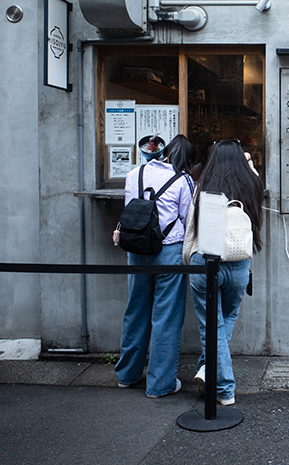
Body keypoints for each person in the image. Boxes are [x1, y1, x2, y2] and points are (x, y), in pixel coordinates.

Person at [183, 140, 263, 406]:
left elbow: (191, 224)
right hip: (240, 263)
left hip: (206, 262)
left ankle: (224, 388)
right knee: (224, 321)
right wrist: (245, 157)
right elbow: (252, 169)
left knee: (212, 326)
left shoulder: (204, 185)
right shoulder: (251, 183)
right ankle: (209, 374)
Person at [115, 134, 196, 398]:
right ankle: (160, 384)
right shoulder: (182, 179)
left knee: (135, 310)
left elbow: (130, 208)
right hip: (168, 250)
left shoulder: (133, 174)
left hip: (137, 249)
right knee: (166, 316)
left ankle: (127, 375)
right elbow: (188, 218)